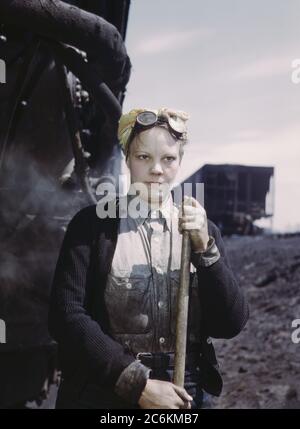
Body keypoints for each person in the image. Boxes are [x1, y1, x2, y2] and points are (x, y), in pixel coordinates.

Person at [48, 107, 249, 409]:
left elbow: (230, 323)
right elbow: (66, 316)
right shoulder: (92, 227)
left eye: (168, 158)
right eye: (144, 157)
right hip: (106, 391)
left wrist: (206, 250)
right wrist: (135, 382)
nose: (157, 169)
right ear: (127, 159)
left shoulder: (201, 231)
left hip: (185, 393)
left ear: (179, 162)